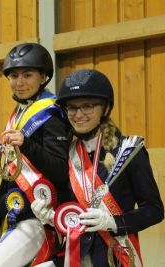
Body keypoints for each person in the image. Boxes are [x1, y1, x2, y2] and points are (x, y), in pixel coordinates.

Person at [32, 69, 164, 266]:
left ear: (105, 108)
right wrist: (51, 216)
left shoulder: (129, 151)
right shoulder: (67, 153)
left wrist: (114, 223)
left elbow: (154, 210)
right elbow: (69, 207)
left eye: (87, 106)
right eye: (72, 108)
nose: (78, 115)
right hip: (75, 253)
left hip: (113, 255)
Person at [0, 43, 71, 267]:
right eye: (13, 76)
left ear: (43, 77)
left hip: (38, 219)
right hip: (15, 217)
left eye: (27, 75)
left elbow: (60, 170)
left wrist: (28, 145)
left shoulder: (51, 114)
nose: (18, 83)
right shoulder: (18, 114)